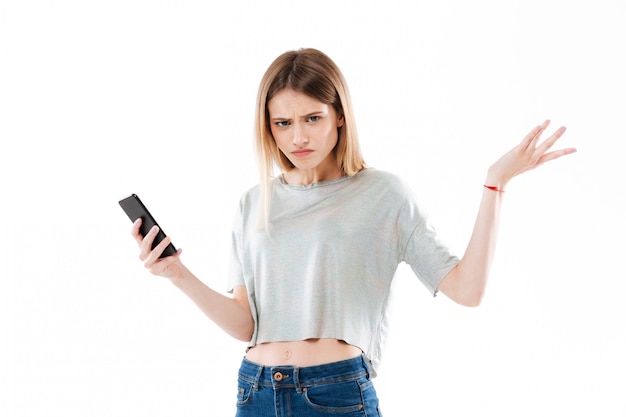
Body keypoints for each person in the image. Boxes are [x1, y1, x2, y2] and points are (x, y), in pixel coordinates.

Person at [130, 48, 576, 416]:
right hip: (255, 393)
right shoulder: (254, 201)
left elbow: (467, 289)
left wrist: (494, 183)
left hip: (335, 393)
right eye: (282, 123)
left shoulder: (383, 193)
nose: (297, 137)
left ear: (339, 115)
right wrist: (177, 274)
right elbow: (247, 324)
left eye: (312, 118)